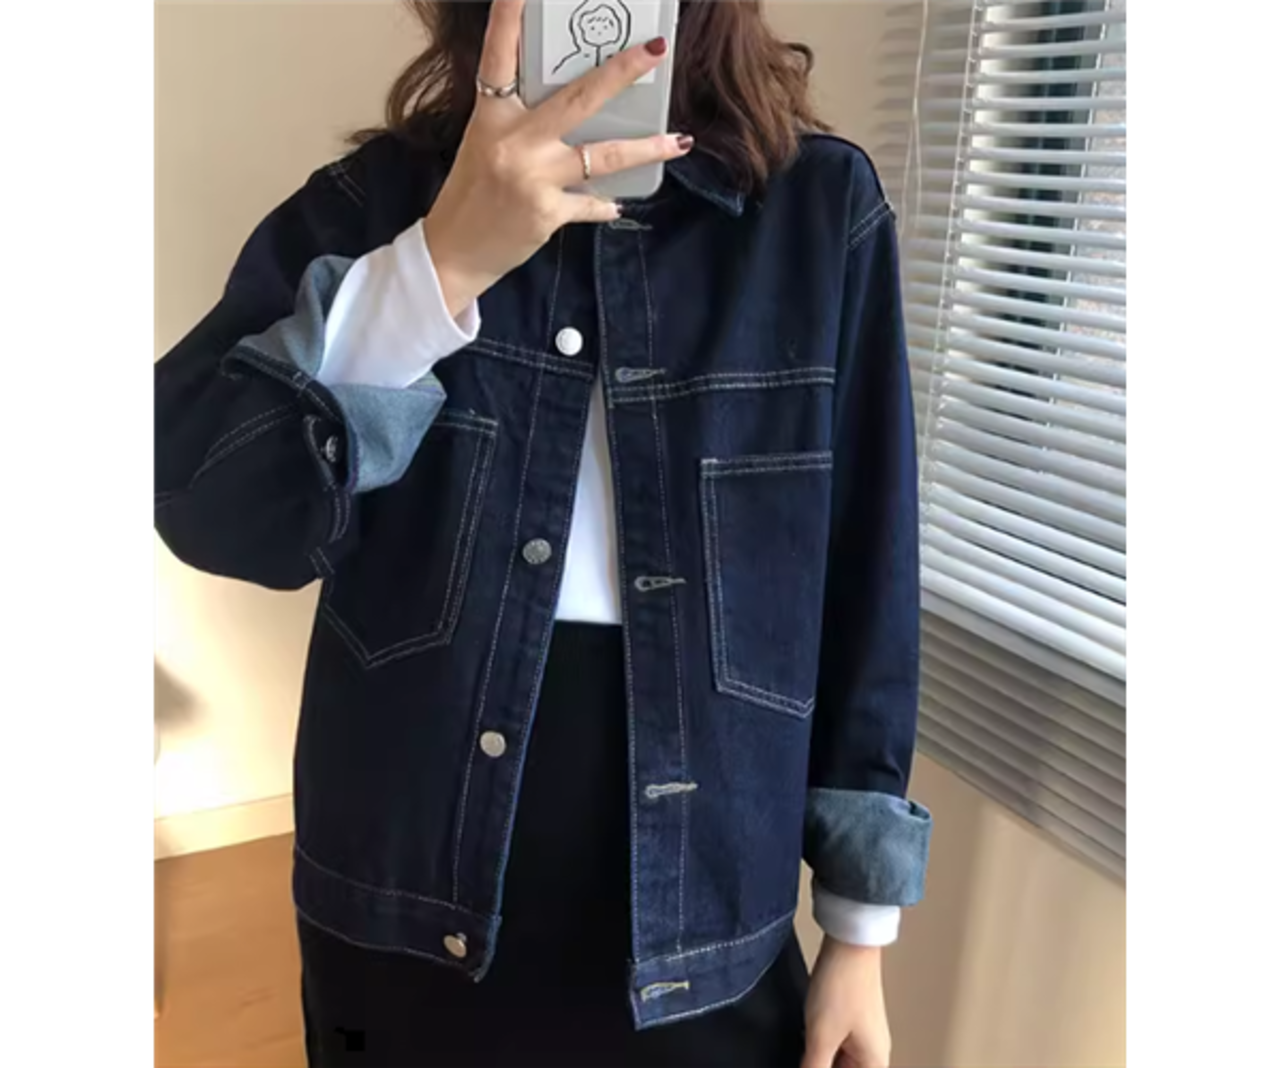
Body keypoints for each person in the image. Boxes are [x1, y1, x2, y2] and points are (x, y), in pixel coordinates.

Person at [150, 1, 933, 1065]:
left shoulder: (817, 212)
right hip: (399, 887)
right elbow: (208, 505)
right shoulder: (381, 202)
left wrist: (858, 932)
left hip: (708, 900)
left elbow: (867, 574)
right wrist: (437, 267)